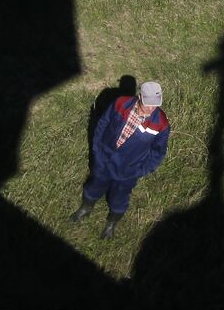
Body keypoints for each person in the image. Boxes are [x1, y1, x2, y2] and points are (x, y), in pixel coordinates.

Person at [71, 81, 171, 239]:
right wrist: (97, 149)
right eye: (148, 103)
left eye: (155, 104)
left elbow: (158, 152)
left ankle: (111, 223)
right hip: (104, 160)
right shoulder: (121, 103)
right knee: (95, 185)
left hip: (128, 170)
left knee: (119, 197)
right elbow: (102, 124)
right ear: (139, 97)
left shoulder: (161, 124)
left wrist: (141, 170)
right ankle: (86, 207)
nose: (152, 108)